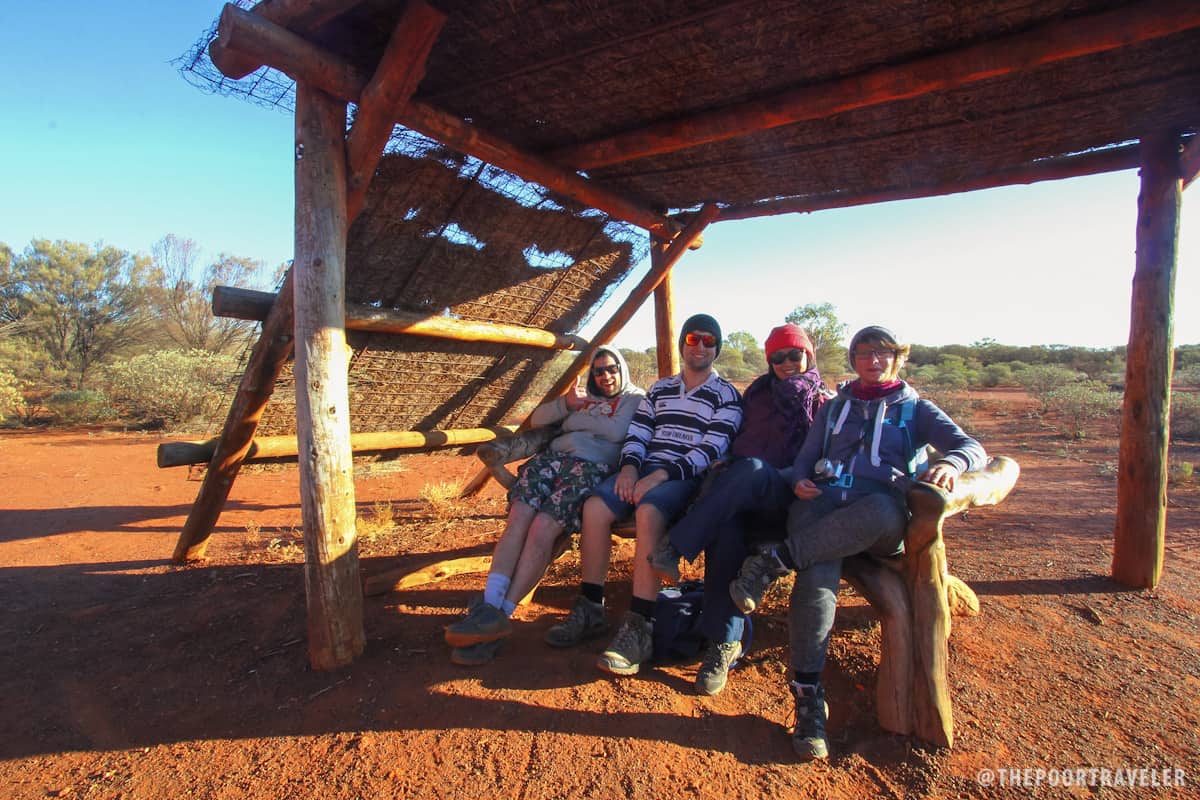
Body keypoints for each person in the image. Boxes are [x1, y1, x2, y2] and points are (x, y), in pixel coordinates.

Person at [729, 325, 986, 760]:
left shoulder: (916, 408)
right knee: (818, 571)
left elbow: (969, 446)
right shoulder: (836, 407)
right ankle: (808, 695)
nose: (873, 360)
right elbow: (806, 460)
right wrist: (800, 482)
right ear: (853, 360)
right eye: (864, 353)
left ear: (897, 359)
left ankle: (775, 561)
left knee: (882, 512)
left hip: (877, 518)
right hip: (824, 504)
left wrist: (953, 464)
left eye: (882, 353)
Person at [544, 314, 742, 676]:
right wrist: (631, 468)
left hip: (684, 477)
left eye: (709, 341)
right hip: (643, 468)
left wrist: (660, 476)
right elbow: (639, 432)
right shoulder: (661, 389)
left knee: (649, 512)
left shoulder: (726, 395)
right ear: (683, 344)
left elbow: (710, 450)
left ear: (717, 348)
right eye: (693, 339)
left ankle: (641, 625)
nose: (700, 346)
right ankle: (591, 606)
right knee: (595, 507)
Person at [649, 323, 827, 696]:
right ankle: (723, 644)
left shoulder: (823, 402)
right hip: (741, 496)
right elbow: (736, 439)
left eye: (794, 355)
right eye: (777, 357)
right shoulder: (757, 395)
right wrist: (723, 461)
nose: (786, 363)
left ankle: (676, 546)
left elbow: (825, 458)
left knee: (752, 469)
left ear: (808, 356)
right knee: (726, 529)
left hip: (788, 497)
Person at [443, 346, 644, 665]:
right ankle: (489, 610)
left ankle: (500, 616)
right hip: (551, 461)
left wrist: (576, 421)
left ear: (622, 369)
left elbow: (617, 430)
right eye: (599, 371)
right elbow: (537, 419)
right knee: (519, 517)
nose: (606, 376)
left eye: (612, 369)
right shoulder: (579, 397)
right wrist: (567, 404)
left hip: (589, 468)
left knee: (542, 528)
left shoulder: (635, 399)